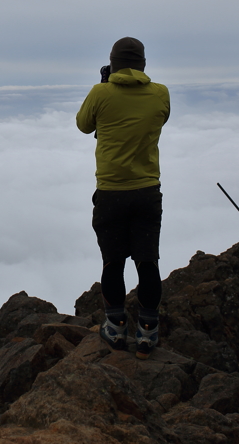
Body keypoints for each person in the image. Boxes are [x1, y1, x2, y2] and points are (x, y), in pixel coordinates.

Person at [76, 37, 170, 358]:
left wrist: (105, 84)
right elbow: (160, 117)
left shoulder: (100, 93)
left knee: (113, 262)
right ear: (143, 64)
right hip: (147, 192)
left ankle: (115, 328)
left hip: (111, 193)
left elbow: (83, 125)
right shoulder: (160, 93)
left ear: (112, 63)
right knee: (147, 261)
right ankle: (147, 332)